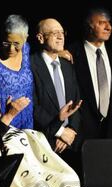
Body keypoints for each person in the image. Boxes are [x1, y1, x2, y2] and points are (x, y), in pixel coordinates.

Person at [68, 8, 112, 149]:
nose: (109, 27)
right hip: (81, 137)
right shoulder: (71, 54)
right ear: (89, 26)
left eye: (109, 23)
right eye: (102, 23)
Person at [31, 18, 82, 158]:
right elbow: (33, 107)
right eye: (54, 33)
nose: (60, 37)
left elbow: (77, 102)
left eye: (62, 32)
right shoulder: (30, 65)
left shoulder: (67, 65)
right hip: (45, 143)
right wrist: (60, 132)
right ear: (41, 38)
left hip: (71, 142)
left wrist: (70, 130)